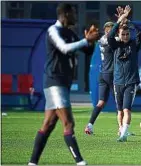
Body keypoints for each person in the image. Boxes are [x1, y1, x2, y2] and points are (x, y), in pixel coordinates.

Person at [28, 3, 98, 165]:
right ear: (65, 15)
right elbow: (64, 48)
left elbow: (86, 51)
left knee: (48, 124)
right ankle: (80, 162)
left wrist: (90, 41)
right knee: (69, 123)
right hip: (55, 81)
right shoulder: (54, 30)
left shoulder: (70, 32)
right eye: (73, 13)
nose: (76, 17)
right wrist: (85, 40)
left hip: (63, 82)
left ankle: (32, 163)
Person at [107, 5, 141, 142]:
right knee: (120, 111)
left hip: (131, 82)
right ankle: (121, 128)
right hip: (117, 82)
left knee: (127, 110)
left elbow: (140, 32)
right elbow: (110, 35)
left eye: (127, 34)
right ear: (119, 35)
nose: (126, 36)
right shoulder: (115, 45)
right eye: (123, 34)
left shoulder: (134, 44)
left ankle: (124, 134)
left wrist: (128, 21)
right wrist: (120, 19)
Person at [84, 21, 115, 135]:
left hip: (102, 74)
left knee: (101, 102)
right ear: (108, 30)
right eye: (112, 29)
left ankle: (90, 125)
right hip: (111, 74)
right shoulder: (111, 40)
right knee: (121, 102)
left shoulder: (101, 40)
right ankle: (122, 129)